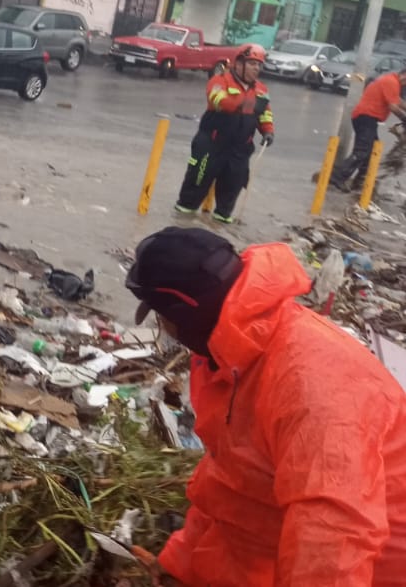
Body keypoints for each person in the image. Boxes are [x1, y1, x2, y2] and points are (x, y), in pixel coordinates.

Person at [124, 226, 406, 585]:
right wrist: (179, 568)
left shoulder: (312, 384)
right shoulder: (229, 357)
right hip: (290, 541)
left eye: (162, 317)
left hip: (380, 567)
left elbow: (332, 540)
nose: (163, 328)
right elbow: (233, 484)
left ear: (186, 314)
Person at [174, 44, 273, 225]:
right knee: (196, 182)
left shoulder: (261, 90)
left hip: (240, 148)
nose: (256, 68)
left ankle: (220, 226)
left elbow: (265, 113)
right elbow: (218, 101)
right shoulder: (220, 81)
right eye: (252, 64)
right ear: (239, 63)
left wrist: (268, 131)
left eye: (259, 65)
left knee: (232, 188)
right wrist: (247, 105)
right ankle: (181, 223)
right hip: (212, 143)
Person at [334, 67, 406, 190]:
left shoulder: (391, 81)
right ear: (404, 75)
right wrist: (404, 119)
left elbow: (398, 101)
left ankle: (359, 183)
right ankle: (338, 177)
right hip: (366, 117)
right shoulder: (391, 82)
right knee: (362, 151)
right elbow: (393, 106)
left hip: (368, 119)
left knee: (372, 152)